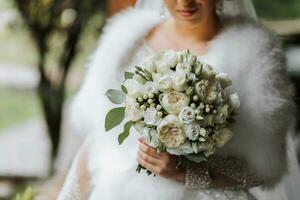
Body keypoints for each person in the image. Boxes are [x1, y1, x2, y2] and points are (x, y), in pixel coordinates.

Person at [57, 0, 297, 199]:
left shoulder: (255, 54)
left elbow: (263, 168)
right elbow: (99, 139)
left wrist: (186, 171)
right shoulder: (124, 42)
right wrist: (68, 196)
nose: (185, 2)